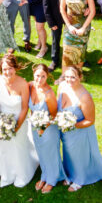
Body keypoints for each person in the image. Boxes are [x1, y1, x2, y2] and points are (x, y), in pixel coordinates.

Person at [57, 65, 102, 190]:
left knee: (79, 155)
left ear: (80, 77)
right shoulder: (62, 86)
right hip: (66, 132)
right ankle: (69, 174)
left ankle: (80, 179)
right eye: (67, 77)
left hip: (80, 132)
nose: (69, 80)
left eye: (73, 77)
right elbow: (58, 104)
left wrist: (71, 125)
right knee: (68, 153)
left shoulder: (85, 97)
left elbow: (90, 120)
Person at [0, 52, 39, 187]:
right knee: (5, 146)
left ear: (15, 68)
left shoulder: (23, 84)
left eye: (10, 68)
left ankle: (21, 173)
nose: (7, 72)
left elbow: (25, 108)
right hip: (3, 122)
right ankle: (7, 172)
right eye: (4, 69)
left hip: (19, 120)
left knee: (19, 146)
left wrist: (17, 126)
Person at [28, 64, 67, 193]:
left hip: (48, 128)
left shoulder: (49, 94)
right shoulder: (30, 86)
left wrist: (43, 127)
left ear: (47, 76)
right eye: (37, 76)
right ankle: (45, 175)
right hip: (35, 127)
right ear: (33, 74)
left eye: (43, 76)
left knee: (51, 154)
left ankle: (52, 179)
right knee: (41, 153)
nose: (39, 79)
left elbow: (54, 114)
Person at [59, 0, 95, 69]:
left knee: (80, 51)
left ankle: (78, 74)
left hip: (83, 24)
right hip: (70, 24)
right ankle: (63, 75)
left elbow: (92, 11)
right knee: (67, 50)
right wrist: (69, 26)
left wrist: (83, 28)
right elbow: (62, 9)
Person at [41, 0, 68, 72]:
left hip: (70, 15)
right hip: (55, 18)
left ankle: (76, 58)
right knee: (55, 39)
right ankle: (55, 60)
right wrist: (51, 23)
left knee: (74, 38)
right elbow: (46, 7)